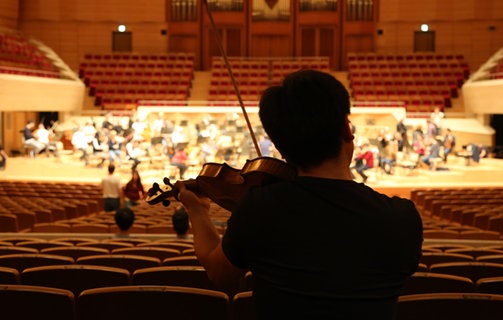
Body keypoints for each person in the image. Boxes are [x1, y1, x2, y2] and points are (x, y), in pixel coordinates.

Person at [174, 70, 423, 319]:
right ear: (347, 129)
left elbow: (220, 274)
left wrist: (197, 210)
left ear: (279, 145)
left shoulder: (259, 208)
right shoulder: (402, 218)